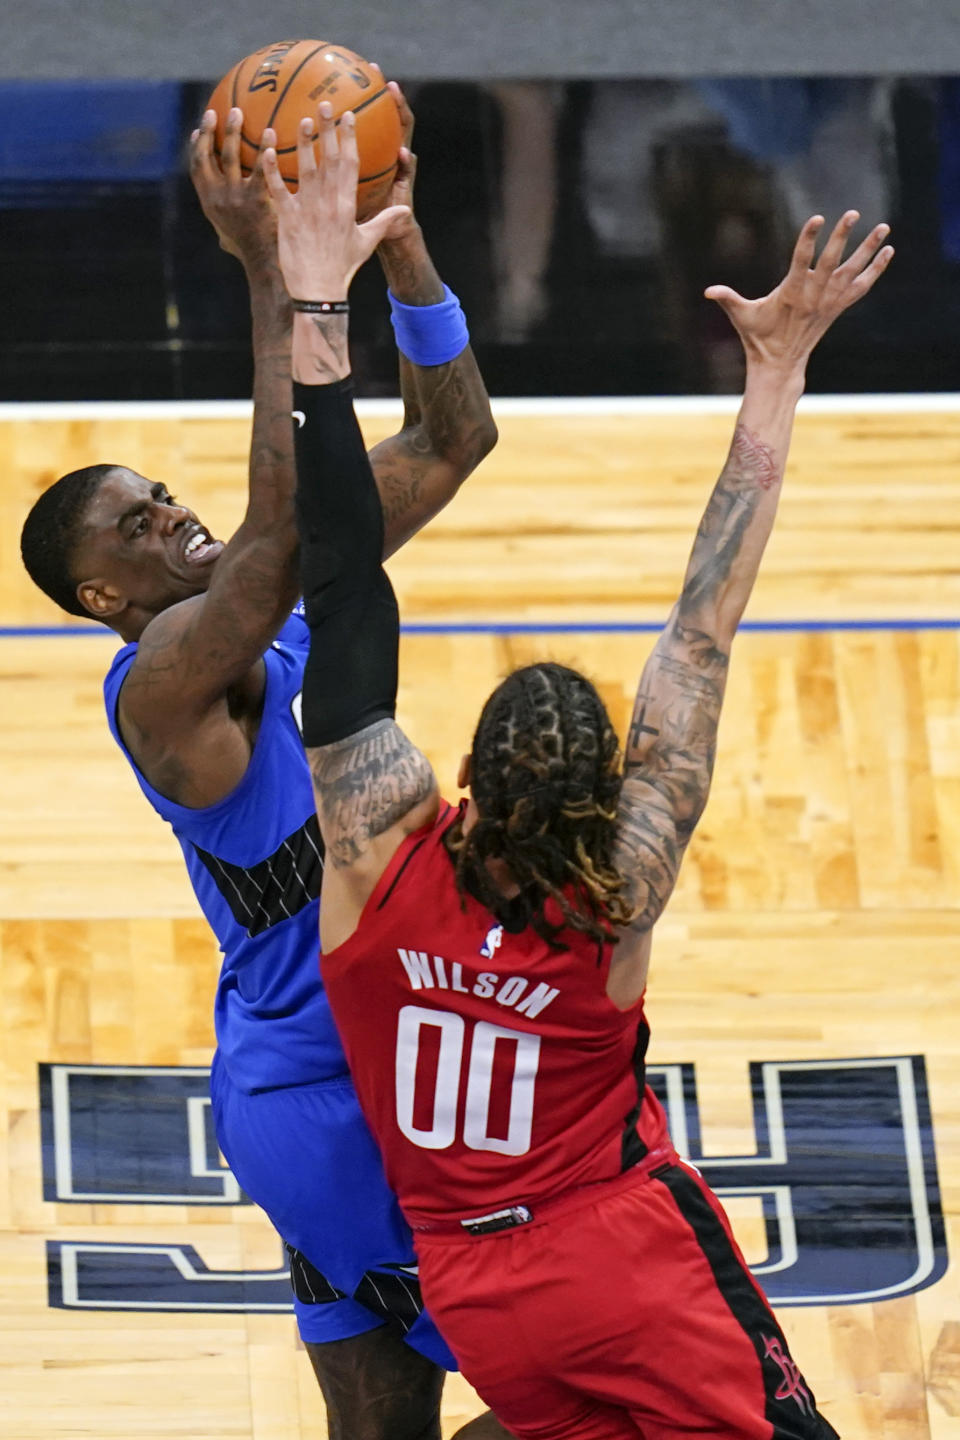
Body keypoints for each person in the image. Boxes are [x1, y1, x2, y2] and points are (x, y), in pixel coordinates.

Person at [265, 104, 894, 1440]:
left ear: (469, 785)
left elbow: (339, 563)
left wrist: (314, 295)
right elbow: (700, 634)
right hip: (618, 1259)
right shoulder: (622, 883)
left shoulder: (376, 846)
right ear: (608, 786)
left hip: (474, 1287)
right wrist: (773, 375)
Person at [20, 98, 509, 1440]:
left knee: (383, 1425)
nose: (168, 511)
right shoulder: (160, 686)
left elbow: (458, 437)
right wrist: (266, 277)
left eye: (162, 491)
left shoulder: (278, 599)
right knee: (587, 1384)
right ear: (95, 592)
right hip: (322, 1088)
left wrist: (408, 261)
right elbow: (284, 523)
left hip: (387, 1060)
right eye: (134, 520)